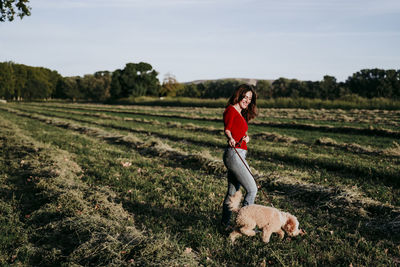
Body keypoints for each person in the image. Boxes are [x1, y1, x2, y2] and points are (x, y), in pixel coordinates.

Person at [221, 84, 258, 230]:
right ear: (239, 95)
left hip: (240, 153)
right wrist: (230, 137)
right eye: (246, 97)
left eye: (250, 98)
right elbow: (227, 129)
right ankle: (246, 225)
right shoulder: (231, 110)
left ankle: (224, 225)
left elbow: (238, 130)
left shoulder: (241, 113)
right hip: (234, 153)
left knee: (232, 192)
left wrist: (245, 137)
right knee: (252, 189)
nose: (247, 100)